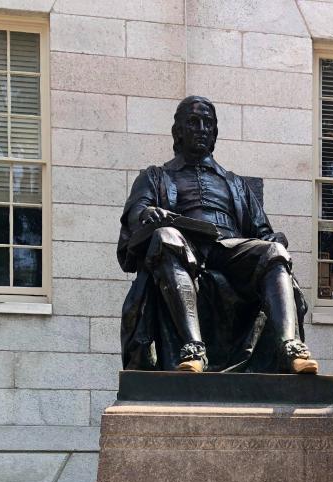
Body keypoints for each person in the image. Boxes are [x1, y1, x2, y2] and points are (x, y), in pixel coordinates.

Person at [117, 96, 319, 375]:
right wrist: (147, 213)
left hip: (229, 247)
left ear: (214, 133)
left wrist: (276, 239)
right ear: (178, 131)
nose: (201, 128)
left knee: (275, 253)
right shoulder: (155, 176)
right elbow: (136, 210)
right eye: (193, 122)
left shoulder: (234, 182)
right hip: (185, 244)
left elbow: (261, 231)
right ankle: (193, 350)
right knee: (165, 237)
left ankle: (290, 347)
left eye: (207, 124)